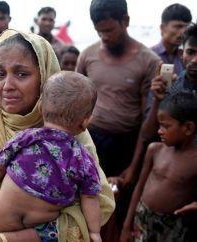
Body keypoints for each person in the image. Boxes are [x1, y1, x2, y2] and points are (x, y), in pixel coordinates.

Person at [0, 29, 115, 242]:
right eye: (0, 74)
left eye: (21, 74)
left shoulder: (75, 139)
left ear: (44, 78)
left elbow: (89, 208)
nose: (7, 86)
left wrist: (0, 240)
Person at [0, 71, 102, 242]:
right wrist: (94, 231)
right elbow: (90, 196)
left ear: (41, 107)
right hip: (40, 222)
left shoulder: (26, 137)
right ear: (86, 121)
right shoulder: (83, 158)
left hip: (4, 214)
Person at [76, 0, 161, 235]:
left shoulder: (148, 61)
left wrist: (134, 166)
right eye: (99, 31)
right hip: (91, 142)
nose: (104, 36)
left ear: (126, 21)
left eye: (109, 30)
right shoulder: (87, 56)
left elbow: (148, 121)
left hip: (128, 144)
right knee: (87, 203)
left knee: (120, 204)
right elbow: (75, 105)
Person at [120, 92, 197, 242]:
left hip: (172, 226)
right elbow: (139, 188)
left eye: (165, 126)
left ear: (188, 128)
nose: (159, 131)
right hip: (141, 218)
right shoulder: (155, 150)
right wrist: (126, 226)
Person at [142, 23, 197, 144]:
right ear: (181, 54)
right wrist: (157, 100)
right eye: (191, 52)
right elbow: (147, 136)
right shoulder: (168, 87)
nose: (195, 60)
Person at [151, 3, 192, 76]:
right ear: (162, 27)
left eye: (187, 27)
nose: (183, 32)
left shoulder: (186, 56)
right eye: (178, 26)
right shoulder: (149, 56)